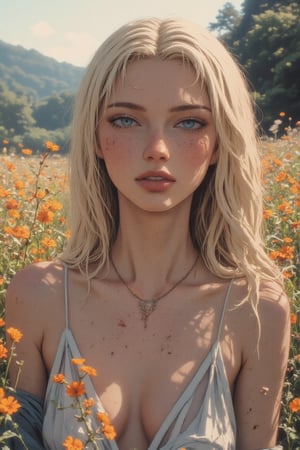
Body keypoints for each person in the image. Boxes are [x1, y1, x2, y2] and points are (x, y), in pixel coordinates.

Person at [5, 17, 290, 450]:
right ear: (97, 137)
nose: (157, 147)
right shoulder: (38, 295)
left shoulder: (256, 309)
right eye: (126, 120)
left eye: (189, 122)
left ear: (219, 142)